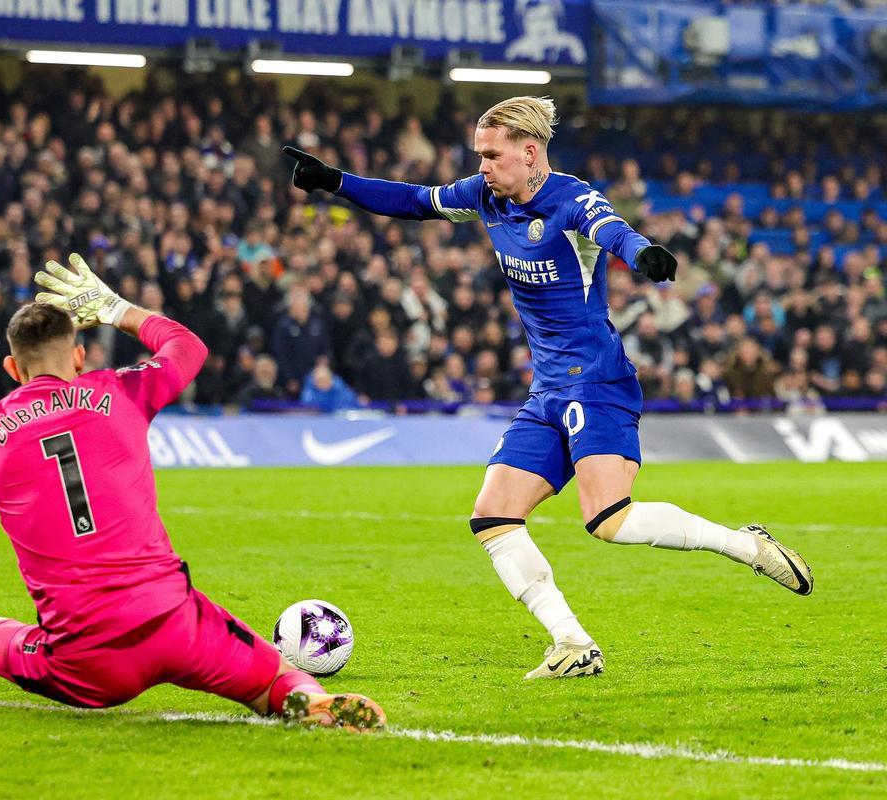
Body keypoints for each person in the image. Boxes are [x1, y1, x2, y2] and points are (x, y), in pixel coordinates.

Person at [284, 96, 813, 679]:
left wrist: (644, 257)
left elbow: (612, 230)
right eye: (479, 155)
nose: (482, 165)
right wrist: (334, 182)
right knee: (492, 517)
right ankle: (571, 642)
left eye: (493, 154)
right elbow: (413, 201)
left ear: (529, 152)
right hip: (548, 391)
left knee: (608, 518)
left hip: (598, 382)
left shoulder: (571, 198)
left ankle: (744, 545)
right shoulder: (485, 197)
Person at [0, 253, 384, 731]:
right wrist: (117, 309)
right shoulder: (119, 392)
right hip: (175, 623)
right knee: (274, 679)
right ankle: (309, 701)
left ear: (11, 368)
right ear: (79, 356)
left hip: (88, 658)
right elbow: (190, 349)